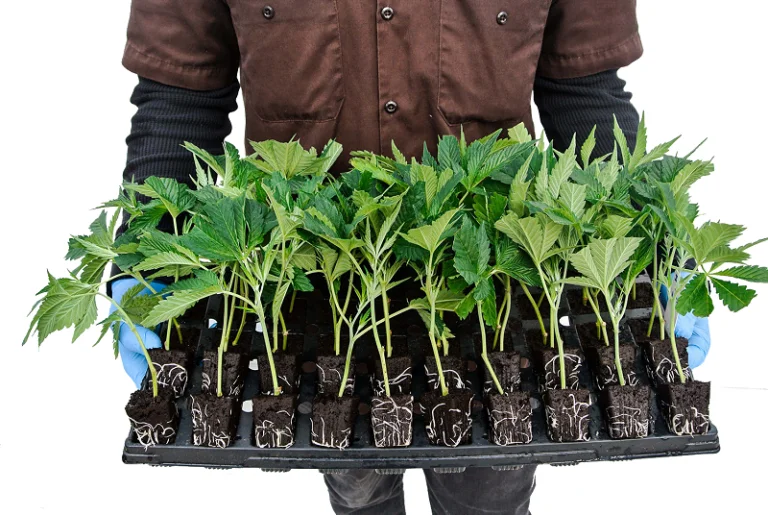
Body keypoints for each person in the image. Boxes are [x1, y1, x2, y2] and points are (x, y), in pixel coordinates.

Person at [112, 2, 711, 514]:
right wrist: (142, 259)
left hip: (492, 283)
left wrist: (655, 248)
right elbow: (179, 96)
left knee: (491, 491)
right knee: (358, 487)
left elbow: (583, 90)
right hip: (320, 282)